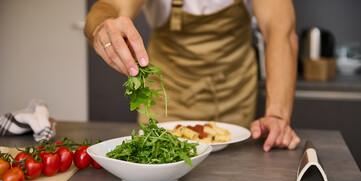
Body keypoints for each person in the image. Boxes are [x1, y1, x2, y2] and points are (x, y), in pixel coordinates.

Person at [84, 0, 300, 152]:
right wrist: (101, 26)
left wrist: (277, 116)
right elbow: (109, 6)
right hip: (169, 101)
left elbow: (280, 29)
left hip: (234, 98)